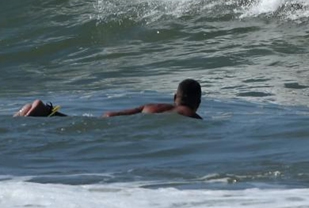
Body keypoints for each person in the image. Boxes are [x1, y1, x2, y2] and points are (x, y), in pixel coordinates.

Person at [13, 79, 203, 120]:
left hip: (116, 119)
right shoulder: (191, 116)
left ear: (174, 97)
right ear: (198, 103)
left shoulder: (152, 106)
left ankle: (45, 110)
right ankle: (44, 112)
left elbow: (112, 114)